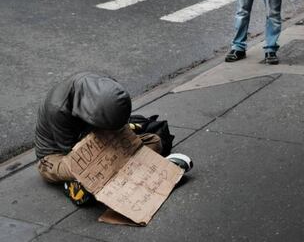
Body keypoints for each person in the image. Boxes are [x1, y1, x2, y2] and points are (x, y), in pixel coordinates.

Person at [35, 72, 190, 205]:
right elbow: (74, 154)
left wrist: (118, 141)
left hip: (99, 140)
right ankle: (126, 172)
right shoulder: (58, 109)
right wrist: (113, 154)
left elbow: (117, 123)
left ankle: (105, 180)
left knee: (154, 140)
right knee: (80, 168)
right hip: (58, 155)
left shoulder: (106, 86)